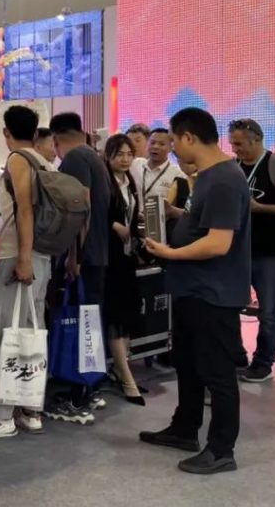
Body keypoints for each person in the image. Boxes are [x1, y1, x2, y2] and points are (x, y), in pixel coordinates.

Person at [142, 107, 250, 474]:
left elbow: (219, 243)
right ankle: (184, 428)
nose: (172, 147)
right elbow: (201, 223)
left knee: (217, 373)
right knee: (188, 364)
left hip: (213, 294)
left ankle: (221, 449)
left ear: (189, 137)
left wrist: (170, 253)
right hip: (192, 289)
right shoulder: (206, 177)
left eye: (174, 140)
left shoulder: (223, 180)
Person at [0, 105, 53, 440]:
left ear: (6, 132)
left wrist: (22, 258)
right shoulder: (44, 161)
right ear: (35, 132)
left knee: (1, 335)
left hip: (18, 256)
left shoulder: (17, 160)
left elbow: (24, 210)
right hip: (42, 258)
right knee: (31, 334)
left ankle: (1, 416)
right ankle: (31, 410)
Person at [227, 118, 275, 383]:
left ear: (257, 139)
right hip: (236, 252)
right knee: (229, 306)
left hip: (269, 252)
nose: (235, 149)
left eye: (239, 143)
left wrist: (261, 208)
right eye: (232, 143)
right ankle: (237, 356)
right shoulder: (233, 168)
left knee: (269, 312)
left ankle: (263, 362)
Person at [50, 112, 110, 414]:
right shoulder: (94, 157)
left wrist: (74, 256)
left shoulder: (75, 159)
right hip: (98, 254)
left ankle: (79, 395)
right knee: (91, 323)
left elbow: (79, 208)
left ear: (56, 138)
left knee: (82, 323)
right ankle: (91, 388)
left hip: (85, 256)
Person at [103, 134, 146, 405]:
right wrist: (113, 225)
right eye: (120, 154)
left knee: (128, 314)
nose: (125, 159)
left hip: (128, 256)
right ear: (108, 155)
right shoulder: (104, 182)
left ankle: (122, 369)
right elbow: (96, 213)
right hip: (110, 258)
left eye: (129, 154)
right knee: (116, 316)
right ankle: (127, 378)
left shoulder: (130, 182)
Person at [131, 128, 186, 205]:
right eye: (152, 142)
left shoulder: (178, 175)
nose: (155, 146)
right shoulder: (135, 164)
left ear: (171, 148)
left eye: (162, 144)